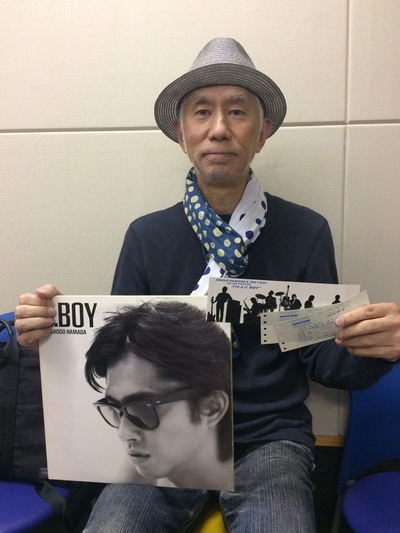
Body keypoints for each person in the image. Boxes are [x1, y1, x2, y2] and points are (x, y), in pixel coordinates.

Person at [15, 37, 400, 532]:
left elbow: (321, 356)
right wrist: (52, 336)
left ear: (262, 132)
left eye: (238, 111)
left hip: (269, 438)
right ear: (182, 134)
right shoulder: (148, 237)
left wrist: (372, 347)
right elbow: (120, 356)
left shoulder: (304, 232)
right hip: (164, 435)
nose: (220, 128)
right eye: (202, 112)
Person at [85, 300, 233, 490]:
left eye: (143, 409)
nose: (124, 433)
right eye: (114, 408)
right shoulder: (140, 474)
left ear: (212, 407)